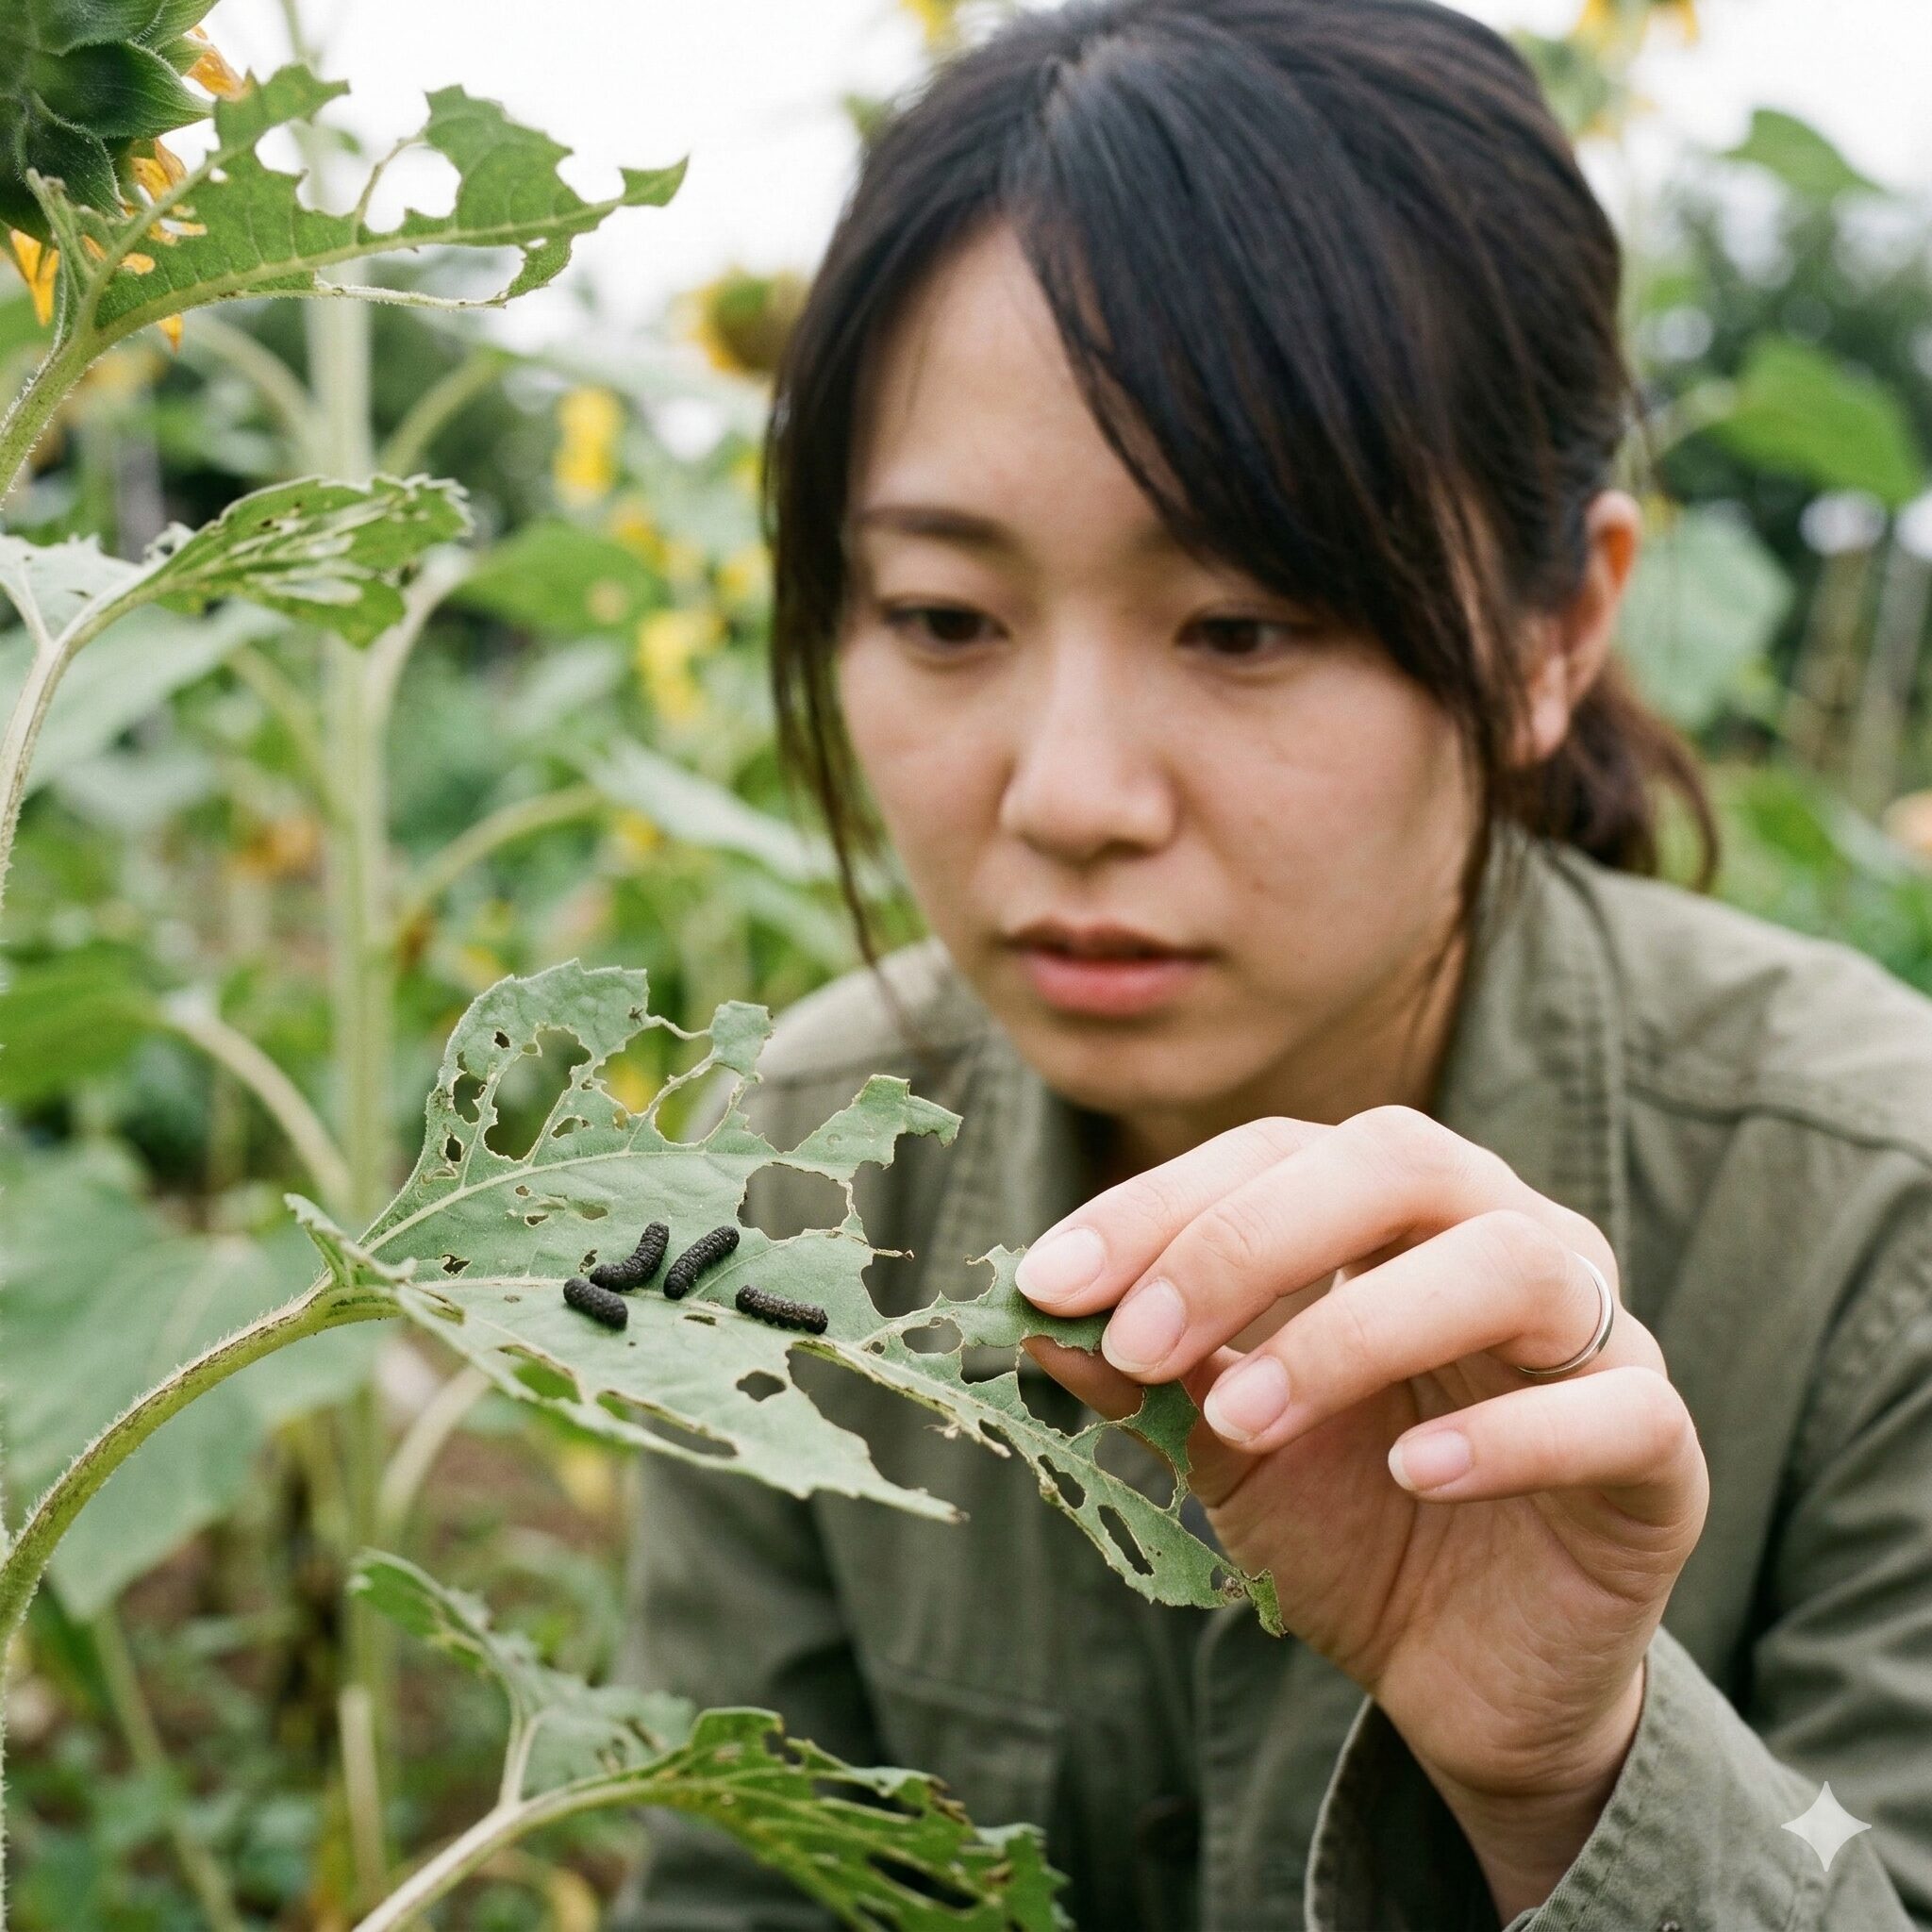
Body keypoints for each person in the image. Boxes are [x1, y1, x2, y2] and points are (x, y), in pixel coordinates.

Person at [610, 2, 1932, 1926]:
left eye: (1241, 624)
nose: (1065, 795)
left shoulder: (1867, 1220)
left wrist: (1572, 1771)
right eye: (942, 613)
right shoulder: (779, 1196)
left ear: (1558, 626)